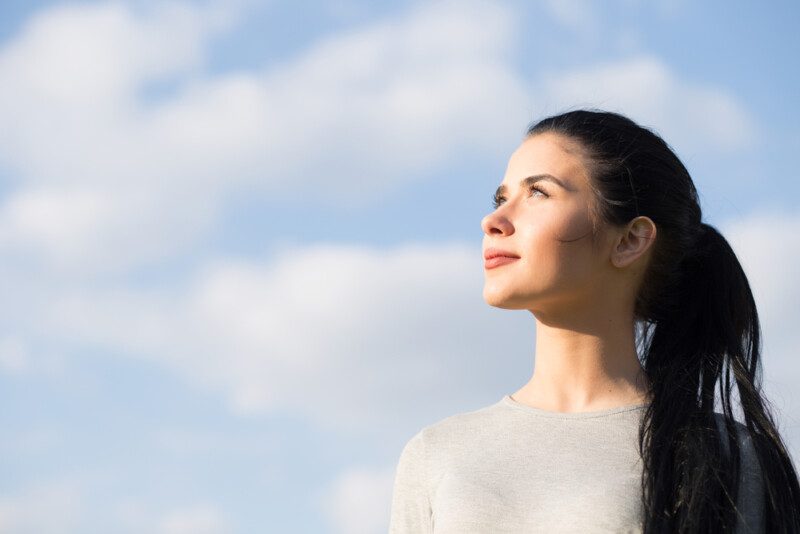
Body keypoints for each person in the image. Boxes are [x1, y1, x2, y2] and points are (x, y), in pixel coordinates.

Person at [388, 109, 800, 533]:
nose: (492, 221)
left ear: (630, 240)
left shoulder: (724, 458)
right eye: (500, 198)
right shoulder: (435, 455)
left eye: (538, 194)